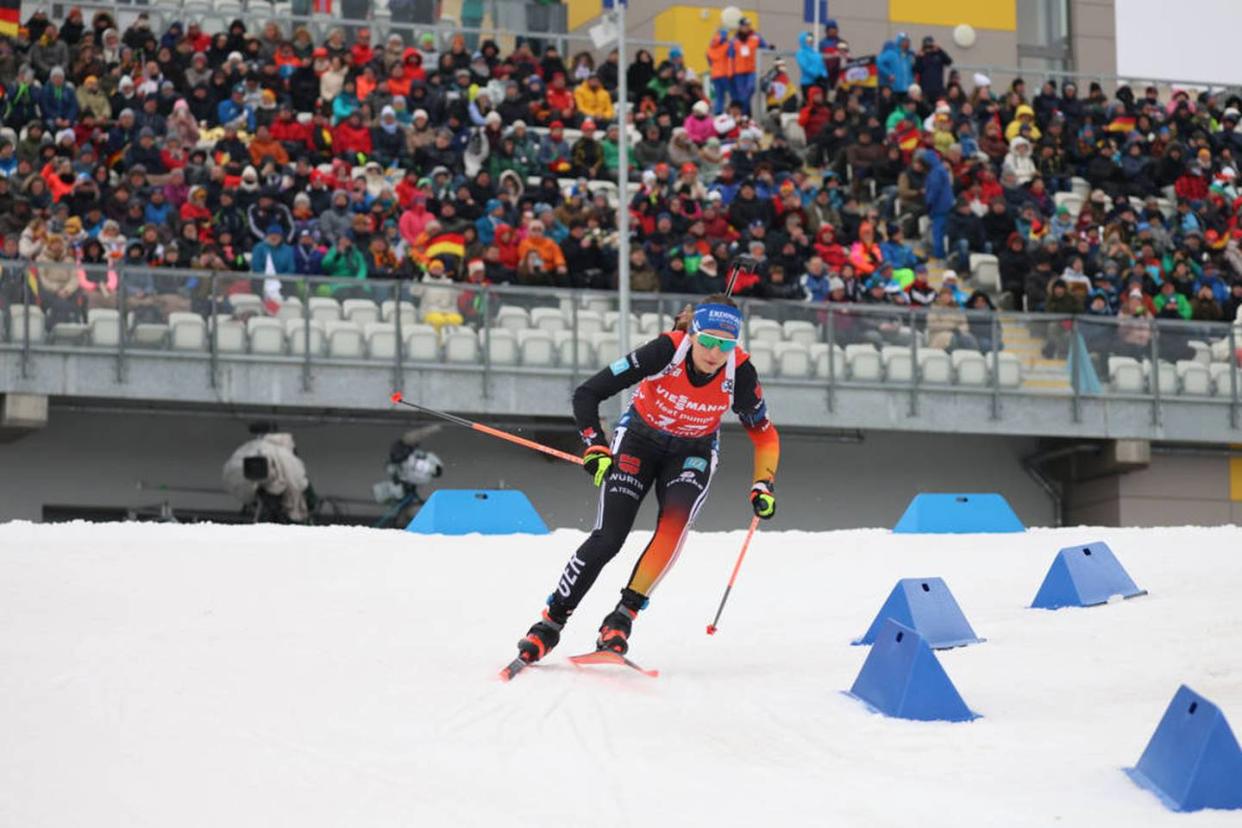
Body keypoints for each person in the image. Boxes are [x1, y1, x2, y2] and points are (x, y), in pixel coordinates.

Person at [510, 295, 780, 667]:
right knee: (609, 538)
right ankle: (550, 623)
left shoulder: (740, 372)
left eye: (726, 344)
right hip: (639, 441)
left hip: (693, 452)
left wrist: (762, 483)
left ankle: (621, 619)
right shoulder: (665, 351)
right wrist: (595, 447)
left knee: (673, 527)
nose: (715, 353)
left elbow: (764, 435)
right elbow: (588, 393)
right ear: (693, 333)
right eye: (708, 341)